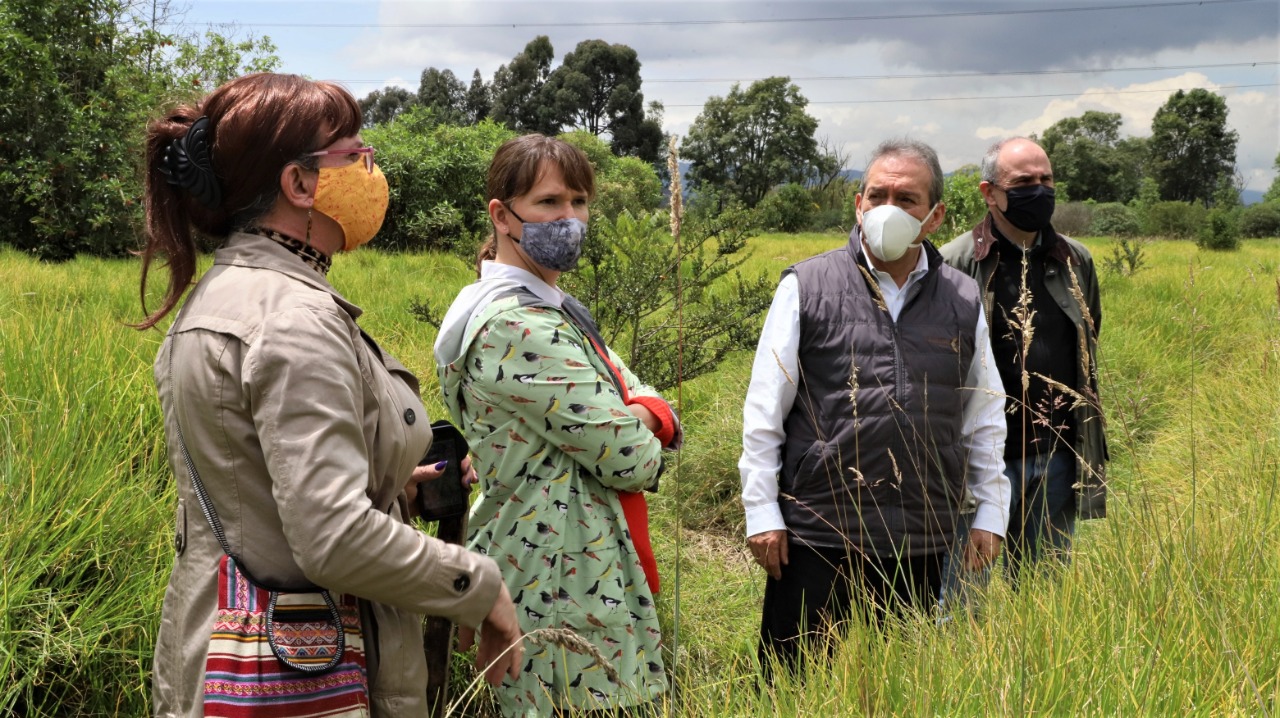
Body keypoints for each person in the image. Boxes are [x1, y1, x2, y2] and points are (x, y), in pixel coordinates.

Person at [137, 72, 521, 716]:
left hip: (214, 644)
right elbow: (332, 538)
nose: (372, 171)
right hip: (300, 669)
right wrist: (478, 586)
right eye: (355, 156)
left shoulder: (229, 290)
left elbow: (253, 482)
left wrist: (387, 483)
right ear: (299, 183)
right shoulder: (294, 318)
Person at [739, 138, 1010, 677]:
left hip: (921, 533)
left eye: (906, 198)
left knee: (897, 687)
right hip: (818, 531)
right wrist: (762, 512)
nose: (888, 207)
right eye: (877, 194)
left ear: (935, 217)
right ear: (858, 204)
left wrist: (991, 512)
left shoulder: (961, 298)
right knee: (795, 687)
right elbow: (765, 410)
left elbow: (983, 413)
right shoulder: (807, 285)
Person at [434, 133, 681, 716]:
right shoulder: (519, 325)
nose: (567, 218)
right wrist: (644, 416)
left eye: (577, 201)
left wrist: (640, 409)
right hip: (556, 572)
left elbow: (636, 392)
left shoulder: (550, 306)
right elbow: (634, 459)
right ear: (503, 215)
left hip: (566, 552)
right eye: (548, 203)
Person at [939, 137, 1106, 596]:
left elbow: (1088, 341)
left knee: (1042, 599)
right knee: (963, 599)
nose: (1039, 191)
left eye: (1046, 180)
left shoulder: (1075, 260)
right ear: (989, 192)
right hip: (978, 465)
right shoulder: (954, 263)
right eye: (1023, 182)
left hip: (1055, 459)